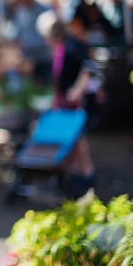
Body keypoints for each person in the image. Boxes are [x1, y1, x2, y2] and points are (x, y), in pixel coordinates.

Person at [37, 11, 97, 198]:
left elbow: (88, 68)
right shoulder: (60, 48)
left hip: (77, 103)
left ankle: (87, 174)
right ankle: (78, 173)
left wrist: (77, 90)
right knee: (75, 139)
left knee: (78, 137)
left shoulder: (72, 46)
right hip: (66, 102)